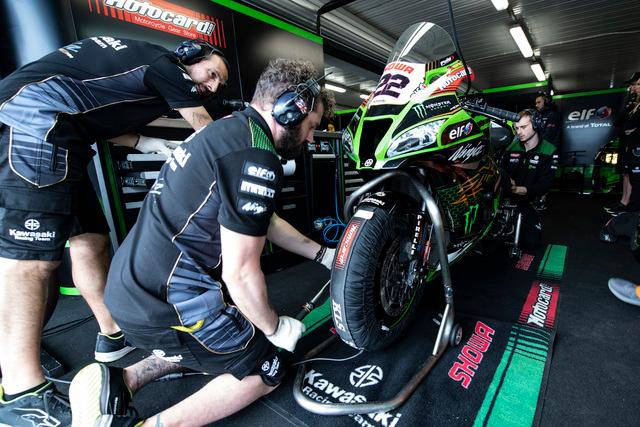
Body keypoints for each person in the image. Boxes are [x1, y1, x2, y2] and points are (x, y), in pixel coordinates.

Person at [68, 58, 336, 427]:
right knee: (266, 367)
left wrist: (322, 254)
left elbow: (264, 221)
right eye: (312, 126)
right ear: (290, 110)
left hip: (131, 286)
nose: (311, 138)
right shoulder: (255, 157)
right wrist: (274, 327)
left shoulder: (227, 130)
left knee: (224, 334)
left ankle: (121, 379)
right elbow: (240, 274)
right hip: (164, 302)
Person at [0, 36, 229, 426]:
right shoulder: (166, 65)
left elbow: (98, 116)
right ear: (190, 56)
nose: (211, 86)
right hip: (35, 123)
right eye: (211, 74)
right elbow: (207, 132)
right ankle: (22, 394)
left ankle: (112, 335)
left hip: (67, 136)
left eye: (218, 84)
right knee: (30, 260)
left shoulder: (139, 69)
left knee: (90, 241)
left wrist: (145, 142)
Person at [501, 109, 559, 249]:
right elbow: (501, 171)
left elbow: (545, 184)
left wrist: (517, 189)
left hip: (529, 201)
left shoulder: (550, 150)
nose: (519, 132)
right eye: (516, 128)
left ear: (536, 125)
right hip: (505, 200)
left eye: (523, 127)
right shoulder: (510, 148)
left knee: (531, 243)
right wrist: (506, 181)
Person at [605, 72, 640, 216]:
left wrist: (632, 130)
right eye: (633, 85)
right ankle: (624, 202)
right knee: (626, 174)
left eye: (637, 84)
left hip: (636, 145)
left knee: (634, 177)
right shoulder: (633, 103)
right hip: (628, 143)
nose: (634, 87)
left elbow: (633, 126)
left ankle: (629, 206)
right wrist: (628, 102)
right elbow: (619, 122)